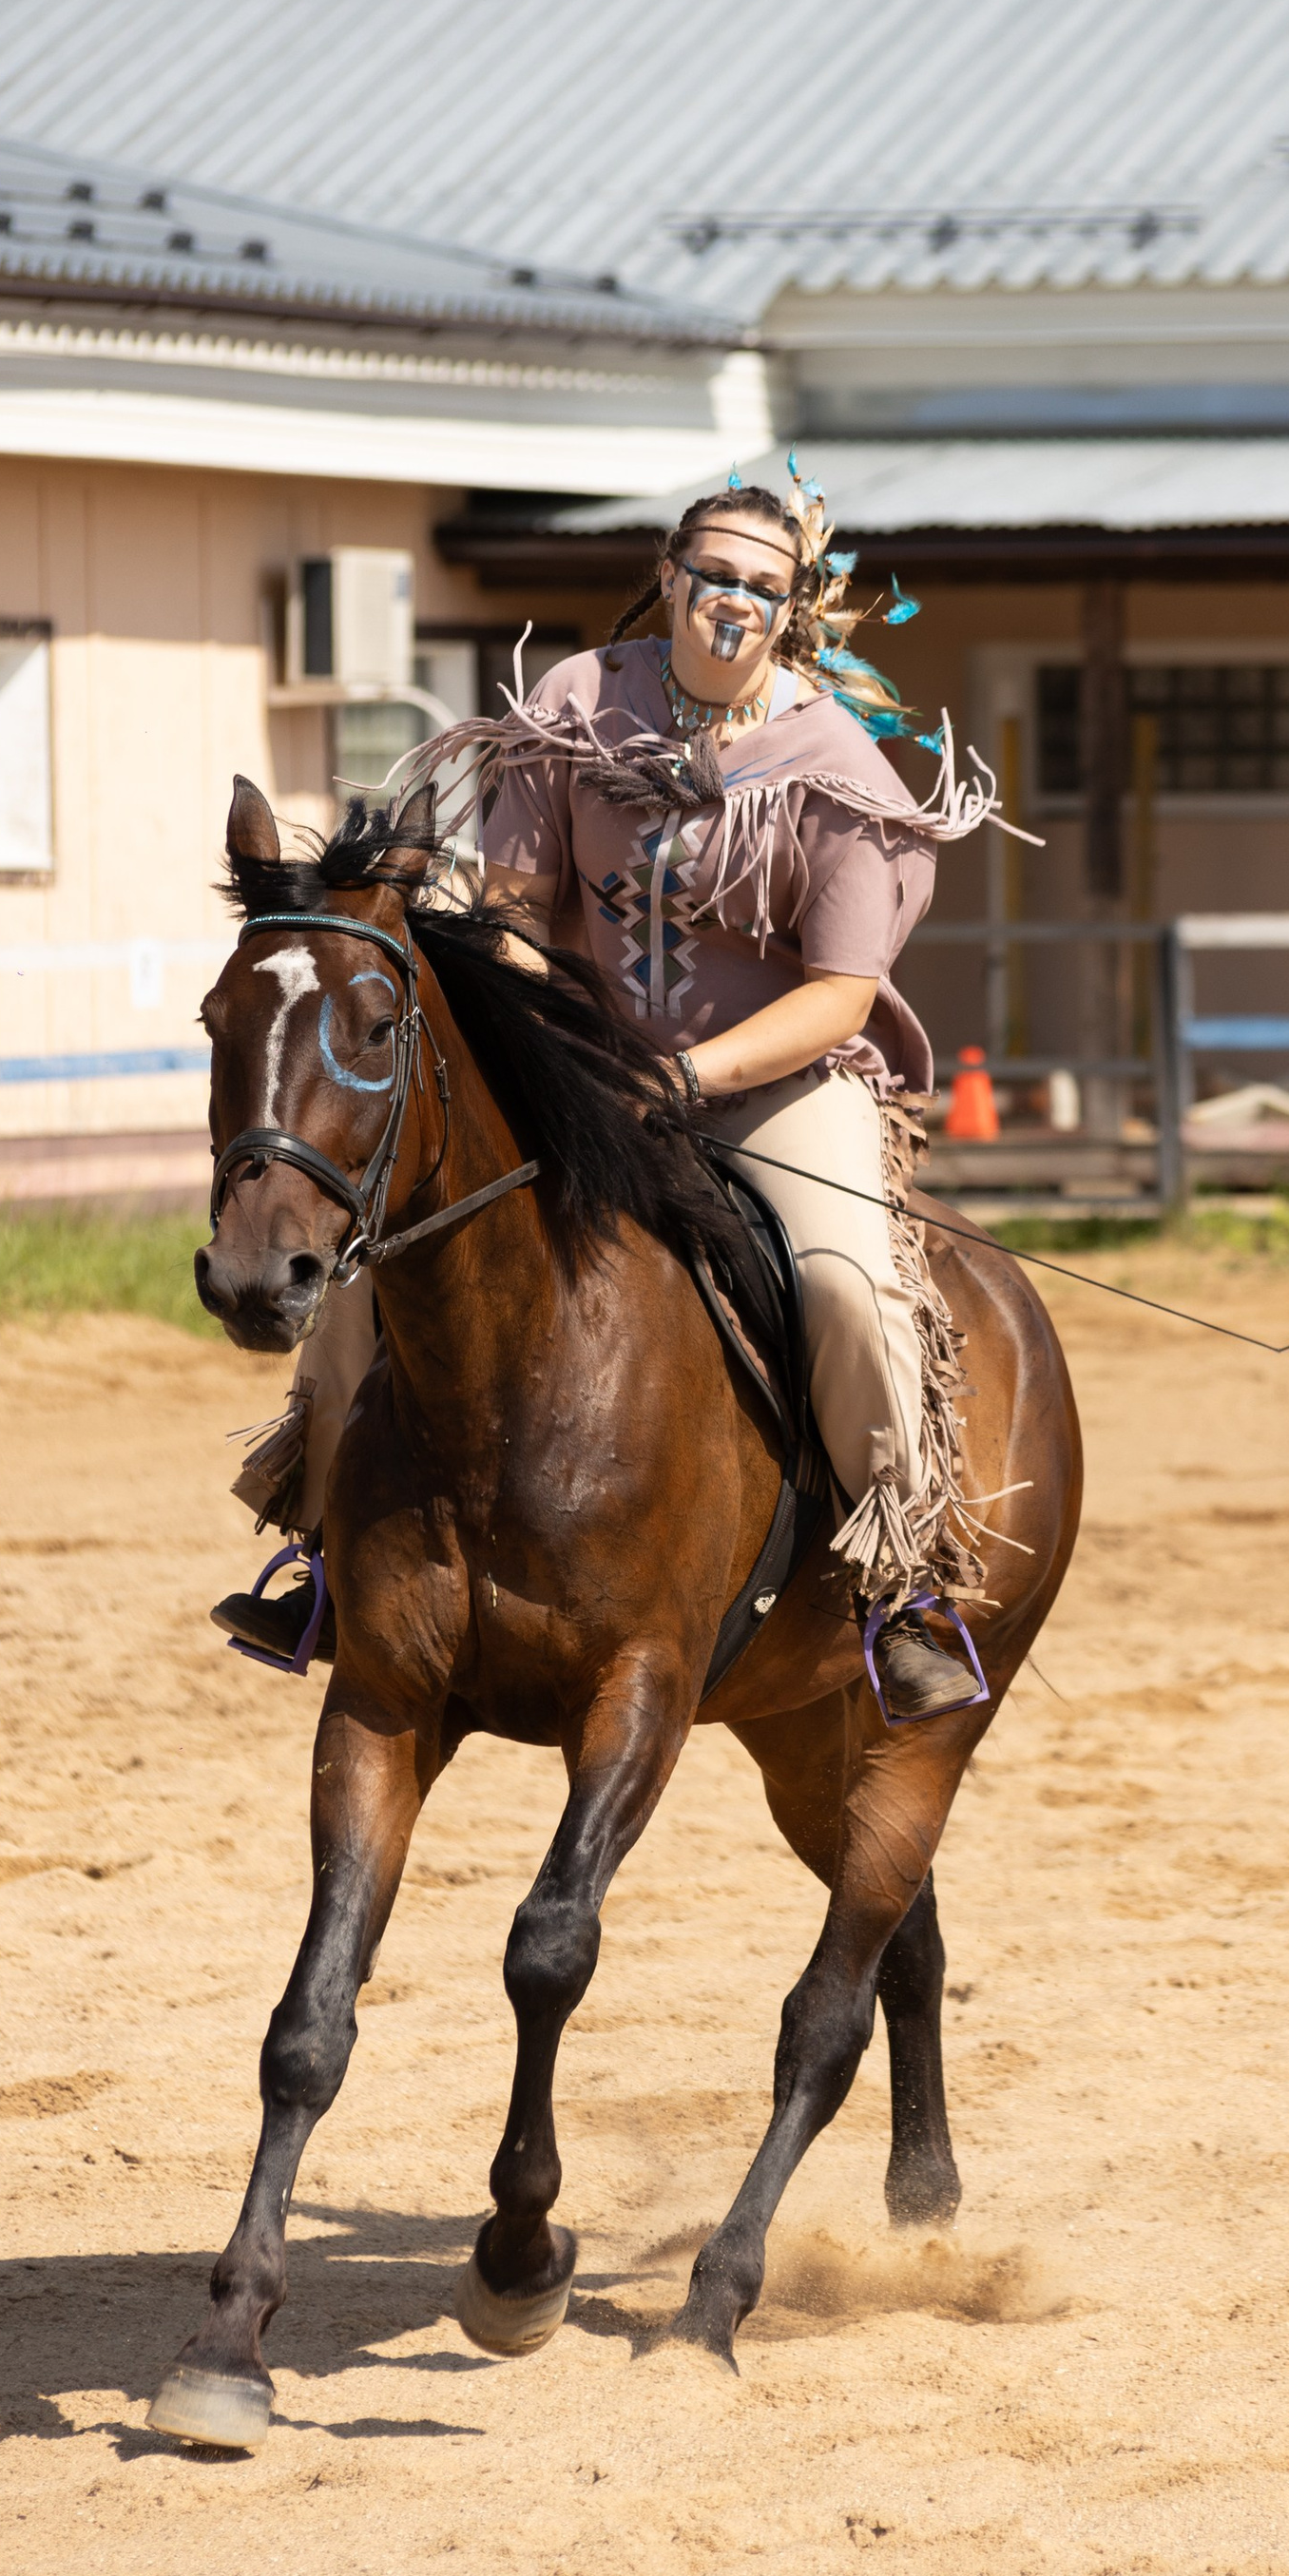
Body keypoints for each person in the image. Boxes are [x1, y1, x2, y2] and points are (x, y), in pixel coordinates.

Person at [213, 466, 1012, 1721]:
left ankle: (900, 1581)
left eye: (763, 586)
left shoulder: (840, 767)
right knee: (378, 1264)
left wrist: (684, 1074)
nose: (733, 603)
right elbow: (521, 913)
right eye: (713, 577)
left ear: (790, 610)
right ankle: (319, 1555)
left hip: (773, 1085)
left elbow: (840, 995)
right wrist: (564, 1049)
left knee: (844, 1290)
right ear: (671, 579)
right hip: (579, 1074)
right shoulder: (575, 706)